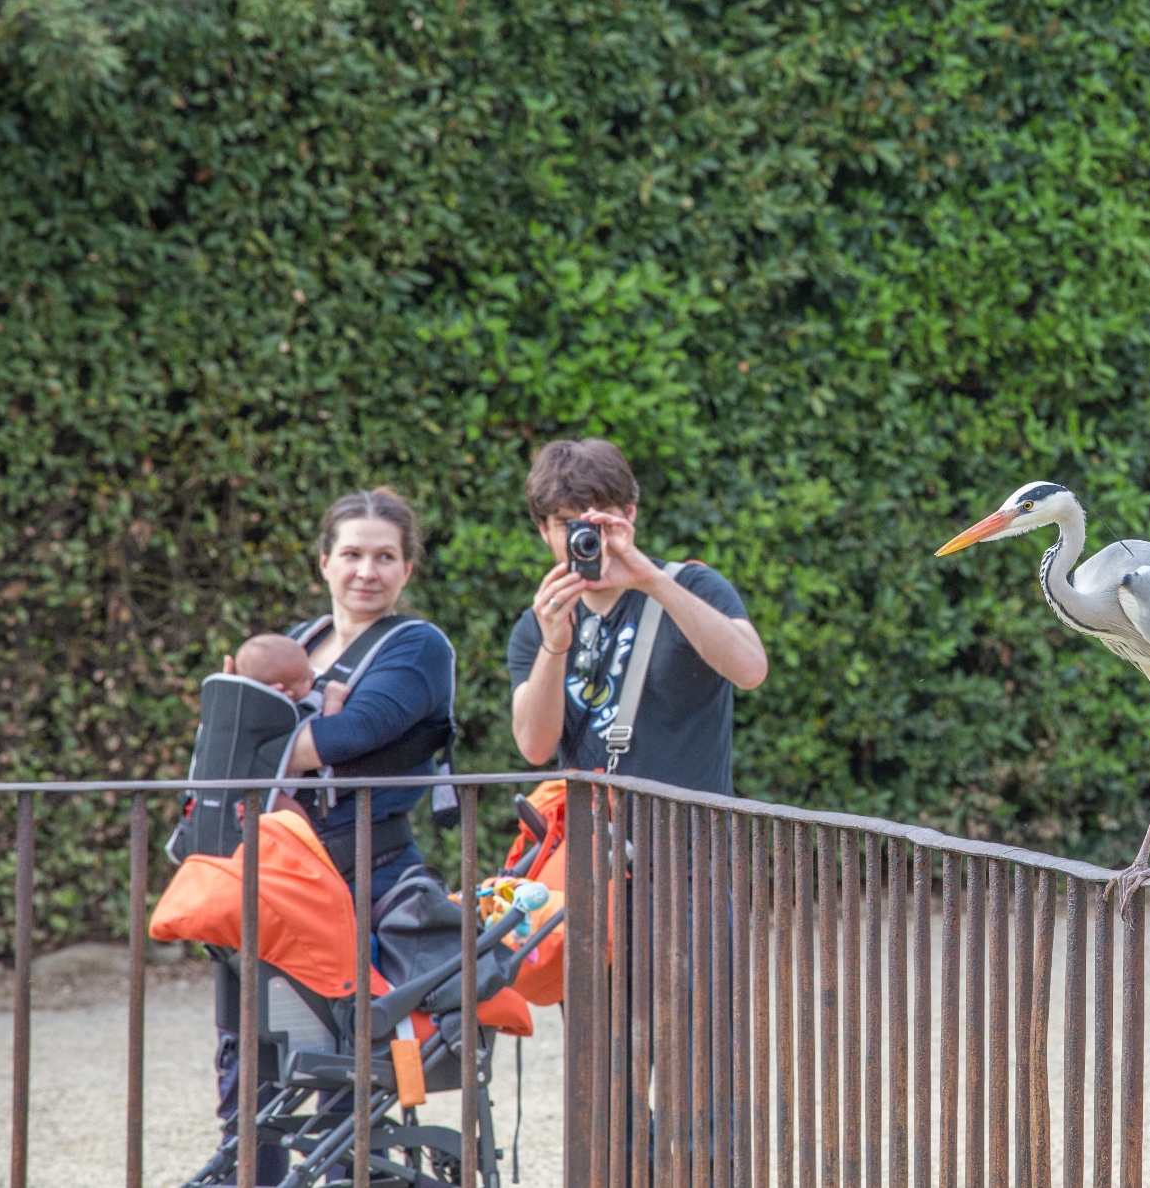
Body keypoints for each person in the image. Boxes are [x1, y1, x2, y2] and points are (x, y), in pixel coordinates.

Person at [216, 486, 456, 1183]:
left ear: (407, 568)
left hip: (364, 879)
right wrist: (286, 735)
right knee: (251, 1045)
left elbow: (352, 735)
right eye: (351, 553)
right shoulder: (299, 638)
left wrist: (263, 737)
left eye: (385, 556)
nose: (367, 571)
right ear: (324, 561)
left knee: (343, 1057)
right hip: (273, 873)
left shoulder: (416, 645)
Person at [507, 439, 766, 790]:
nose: (589, 539)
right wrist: (553, 646)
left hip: (691, 842)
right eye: (568, 525)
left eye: (601, 521)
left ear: (630, 513)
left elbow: (750, 671)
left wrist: (654, 583)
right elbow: (534, 749)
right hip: (595, 842)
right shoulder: (539, 623)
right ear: (543, 531)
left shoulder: (691, 586)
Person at [232, 633, 350, 714]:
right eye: (304, 679)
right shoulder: (293, 713)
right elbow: (326, 731)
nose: (312, 674)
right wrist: (334, 702)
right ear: (281, 691)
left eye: (308, 667)